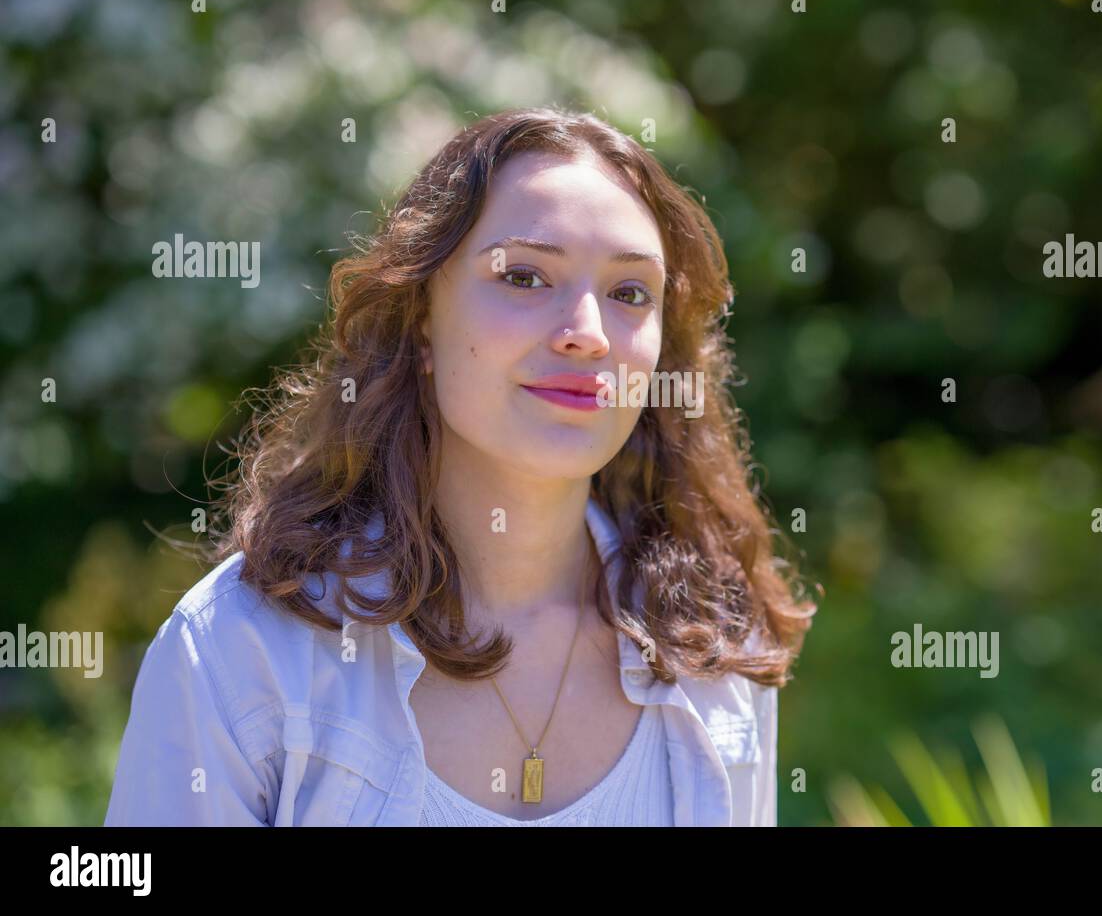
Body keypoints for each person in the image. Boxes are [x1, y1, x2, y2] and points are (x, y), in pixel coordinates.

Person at [104, 105, 817, 827]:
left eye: (630, 293)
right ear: (421, 318)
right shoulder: (244, 651)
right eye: (525, 277)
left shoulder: (717, 656)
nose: (588, 335)